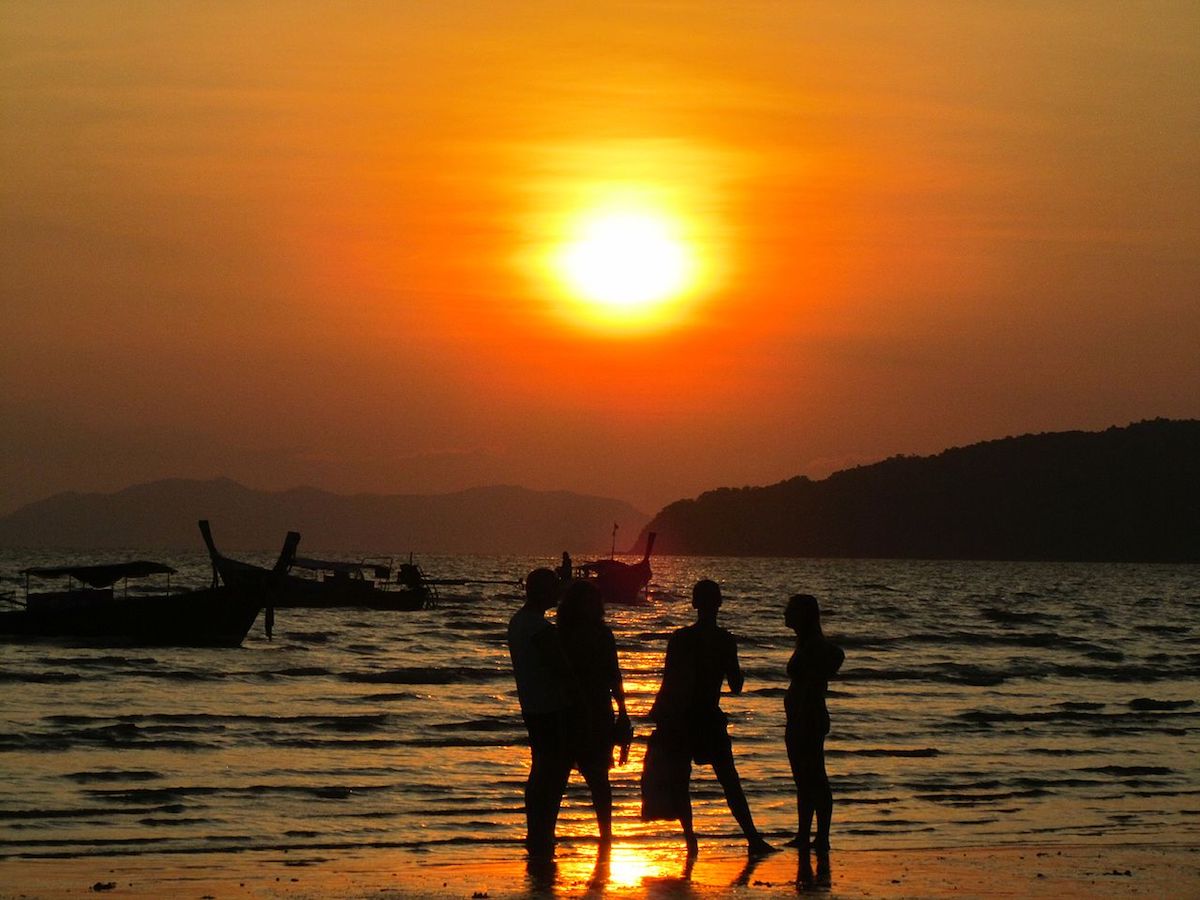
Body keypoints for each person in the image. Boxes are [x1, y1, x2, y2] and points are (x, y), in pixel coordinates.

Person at [641, 579, 775, 857]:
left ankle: (691, 841)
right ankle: (752, 838)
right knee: (729, 780)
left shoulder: (680, 638)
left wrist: (660, 715)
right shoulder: (725, 640)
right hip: (708, 717)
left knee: (680, 781)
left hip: (680, 719)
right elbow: (736, 686)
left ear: (694, 604)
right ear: (720, 604)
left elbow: (670, 681)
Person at [556, 578, 632, 846]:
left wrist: (623, 711)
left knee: (599, 776)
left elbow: (615, 675)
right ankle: (546, 833)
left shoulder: (603, 635)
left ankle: (606, 835)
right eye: (584, 602)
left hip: (599, 709)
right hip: (568, 710)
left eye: (593, 602)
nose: (590, 607)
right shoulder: (560, 634)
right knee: (558, 776)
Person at [508, 568, 573, 856]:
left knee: (541, 769)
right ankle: (543, 829)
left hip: (533, 705)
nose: (558, 593)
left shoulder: (519, 622)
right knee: (553, 771)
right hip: (550, 706)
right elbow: (562, 668)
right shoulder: (538, 628)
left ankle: (538, 829)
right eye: (553, 588)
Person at [783, 593, 845, 853]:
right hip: (801, 716)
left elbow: (836, 654)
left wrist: (814, 683)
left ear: (803, 615)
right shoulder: (805, 643)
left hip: (807, 717)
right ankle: (805, 834)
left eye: (790, 610)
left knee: (815, 776)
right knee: (804, 778)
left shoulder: (814, 645)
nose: (785, 614)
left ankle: (821, 836)